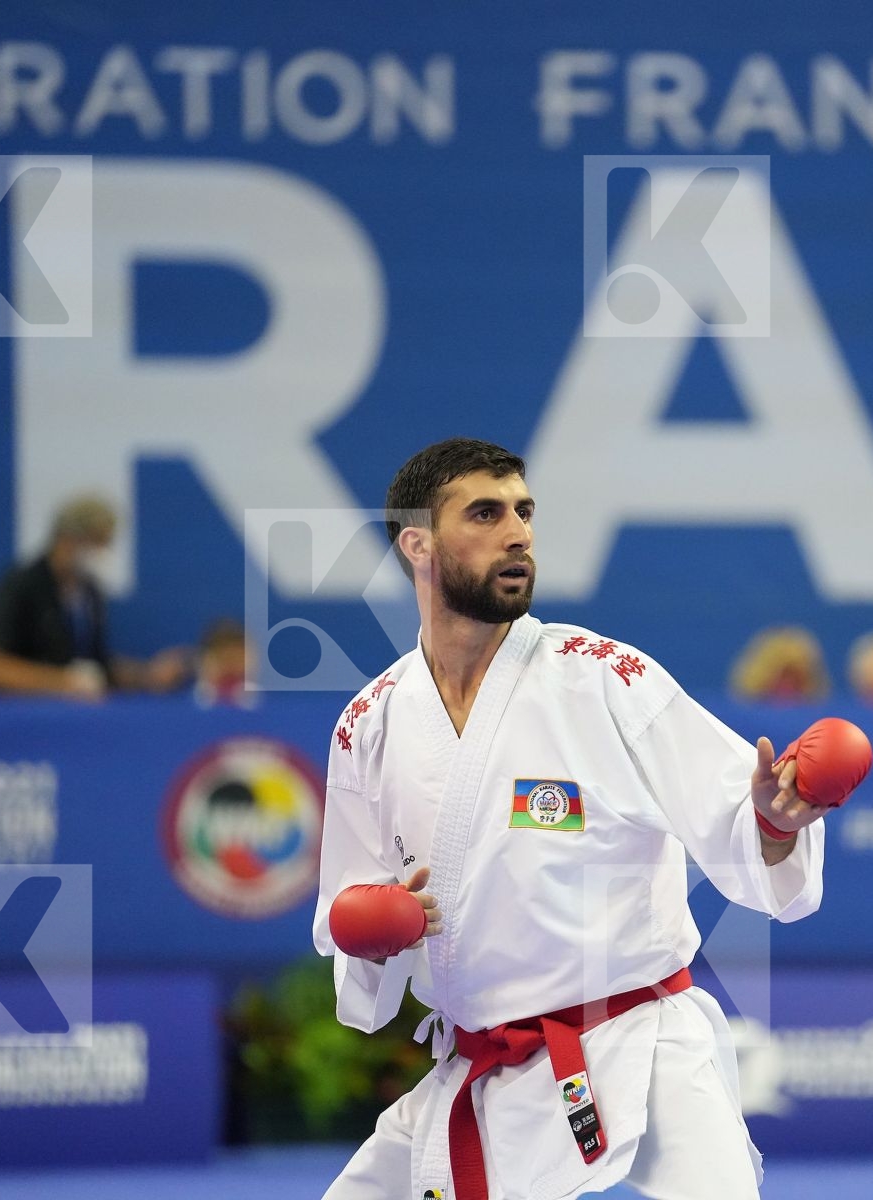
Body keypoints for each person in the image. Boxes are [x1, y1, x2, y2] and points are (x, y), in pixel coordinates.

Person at [314, 438, 833, 1200]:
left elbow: (742, 824)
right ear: (417, 545)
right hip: (482, 1072)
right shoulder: (369, 726)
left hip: (641, 1047)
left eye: (524, 512)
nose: (517, 533)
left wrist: (775, 823)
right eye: (485, 514)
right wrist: (368, 935)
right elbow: (357, 953)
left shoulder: (605, 681)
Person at [0, 495, 190, 700]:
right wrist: (62, 683)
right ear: (67, 540)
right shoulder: (21, 585)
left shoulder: (90, 593)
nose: (104, 554)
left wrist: (147, 675)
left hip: (75, 715)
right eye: (98, 543)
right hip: (24, 714)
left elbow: (95, 669)